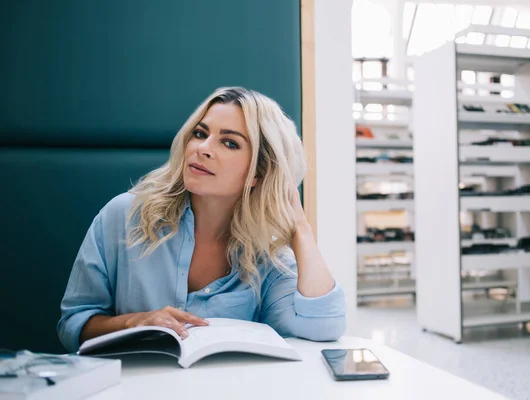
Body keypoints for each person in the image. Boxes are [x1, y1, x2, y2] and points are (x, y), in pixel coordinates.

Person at [57, 87, 346, 353]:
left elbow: (324, 325)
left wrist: (301, 230)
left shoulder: (267, 257)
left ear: (258, 174)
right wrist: (135, 322)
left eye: (229, 143)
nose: (203, 148)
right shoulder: (124, 215)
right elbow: (74, 324)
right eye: (200, 133)